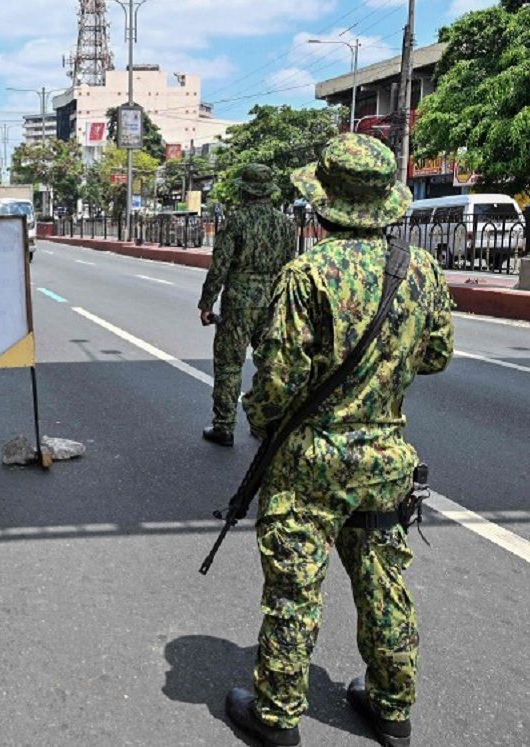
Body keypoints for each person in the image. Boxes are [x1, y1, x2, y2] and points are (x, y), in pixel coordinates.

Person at [225, 134, 454, 747]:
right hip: (384, 459)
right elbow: (436, 355)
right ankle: (392, 705)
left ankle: (277, 713)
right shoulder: (421, 269)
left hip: (311, 463)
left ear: (323, 203)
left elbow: (275, 383)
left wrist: (263, 422)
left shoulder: (306, 275)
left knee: (295, 588)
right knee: (383, 580)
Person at [197, 163, 296, 447]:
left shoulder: (236, 221)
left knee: (229, 365)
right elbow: (290, 266)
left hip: (239, 302)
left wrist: (207, 303)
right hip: (273, 300)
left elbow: (220, 267)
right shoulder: (285, 224)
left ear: (245, 191)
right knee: (271, 364)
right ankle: (266, 423)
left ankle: (224, 426)